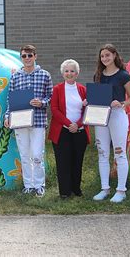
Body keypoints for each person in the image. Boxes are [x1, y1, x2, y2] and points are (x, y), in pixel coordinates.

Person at [4, 44, 53, 197]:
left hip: (38, 120)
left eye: (30, 55)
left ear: (35, 56)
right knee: (24, 155)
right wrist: (7, 116)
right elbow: (10, 100)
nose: (27, 58)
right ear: (21, 58)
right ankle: (28, 185)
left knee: (37, 154)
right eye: (24, 56)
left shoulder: (45, 75)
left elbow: (51, 96)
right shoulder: (15, 76)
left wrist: (42, 102)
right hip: (20, 121)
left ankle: (39, 185)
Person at [92, 43, 130, 203]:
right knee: (102, 153)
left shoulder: (123, 75)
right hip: (100, 116)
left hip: (117, 116)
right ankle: (105, 188)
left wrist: (122, 103)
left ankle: (121, 190)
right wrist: (87, 101)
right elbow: (96, 96)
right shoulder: (98, 75)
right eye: (102, 56)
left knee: (120, 152)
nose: (104, 58)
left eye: (107, 55)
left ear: (115, 56)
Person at [48, 59, 90, 199]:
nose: (69, 73)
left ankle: (76, 189)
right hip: (62, 131)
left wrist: (77, 125)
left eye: (72, 71)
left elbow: (87, 110)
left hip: (79, 131)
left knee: (77, 161)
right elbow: (54, 109)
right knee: (63, 162)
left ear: (77, 73)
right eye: (66, 71)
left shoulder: (83, 90)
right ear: (62, 73)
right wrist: (68, 123)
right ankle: (65, 192)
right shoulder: (57, 89)